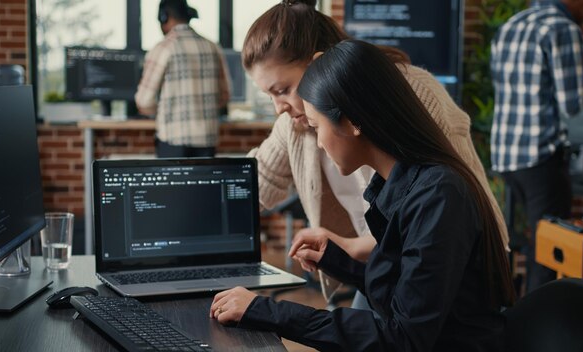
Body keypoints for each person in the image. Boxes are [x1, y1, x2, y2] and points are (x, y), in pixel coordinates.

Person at [210, 40, 515, 351]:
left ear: (353, 121)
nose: (318, 144)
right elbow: (404, 294)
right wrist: (335, 260)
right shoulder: (400, 184)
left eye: (317, 128)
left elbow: (402, 338)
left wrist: (268, 312)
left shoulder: (438, 196)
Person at [242, 0, 509, 308]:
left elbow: (442, 214)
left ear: (319, 62)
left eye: (282, 90)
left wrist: (353, 247)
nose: (279, 108)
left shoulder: (410, 92)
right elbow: (257, 184)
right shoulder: (295, 122)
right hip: (388, 260)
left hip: (457, 264)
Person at [490, 0, 583, 292]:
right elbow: (572, 103)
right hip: (540, 157)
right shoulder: (563, 29)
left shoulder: (511, 24)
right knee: (549, 250)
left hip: (505, 154)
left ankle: (510, 313)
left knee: (517, 240)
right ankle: (538, 327)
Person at [135, 0, 230, 158]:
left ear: (164, 17)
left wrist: (161, 111)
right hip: (207, 140)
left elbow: (144, 101)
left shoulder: (163, 48)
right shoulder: (213, 47)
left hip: (173, 140)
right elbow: (224, 96)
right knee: (206, 183)